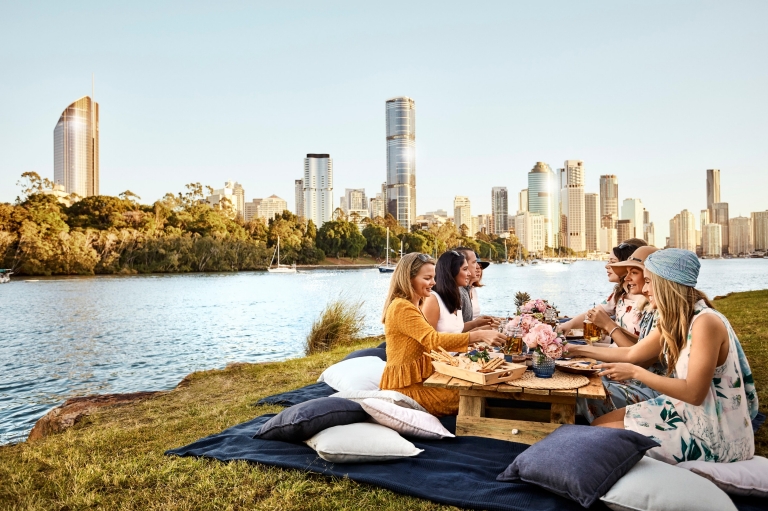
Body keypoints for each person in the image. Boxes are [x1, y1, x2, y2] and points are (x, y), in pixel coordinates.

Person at [589, 249, 758, 464]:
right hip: (685, 411)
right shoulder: (677, 318)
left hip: (713, 433)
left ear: (666, 283)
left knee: (600, 438)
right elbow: (632, 353)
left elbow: (695, 393)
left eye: (649, 281)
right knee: (596, 427)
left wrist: (635, 372)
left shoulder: (705, 323)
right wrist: (569, 350)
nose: (646, 289)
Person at [379, 253, 507, 416]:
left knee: (476, 385)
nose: (433, 282)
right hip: (405, 389)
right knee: (472, 393)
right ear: (408, 279)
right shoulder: (401, 307)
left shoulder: (416, 303)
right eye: (427, 278)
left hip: (421, 380)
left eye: (433, 277)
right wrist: (478, 335)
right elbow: (432, 340)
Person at [568, 246, 663, 422]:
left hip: (652, 388)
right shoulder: (651, 308)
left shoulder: (663, 312)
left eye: (633, 272)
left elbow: (637, 358)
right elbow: (641, 344)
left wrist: (609, 328)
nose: (626, 279)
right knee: (578, 380)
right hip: (637, 378)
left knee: (582, 391)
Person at [559, 241, 647, 346]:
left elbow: (636, 350)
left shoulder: (647, 299)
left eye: (613, 262)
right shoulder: (620, 293)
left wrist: (608, 326)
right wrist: (569, 324)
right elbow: (594, 313)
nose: (607, 266)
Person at [454, 247, 497, 329]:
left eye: (480, 266)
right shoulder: (457, 292)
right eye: (474, 263)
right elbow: (456, 329)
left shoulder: (468, 290)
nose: (478, 268)